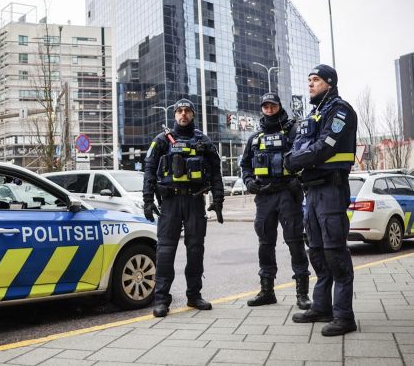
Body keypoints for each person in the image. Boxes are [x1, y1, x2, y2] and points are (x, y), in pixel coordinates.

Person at [285, 64, 358, 336]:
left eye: (315, 80)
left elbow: (324, 146)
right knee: (316, 251)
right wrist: (294, 158)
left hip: (331, 190)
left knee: (335, 253)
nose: (310, 84)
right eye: (309, 80)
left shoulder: (340, 111)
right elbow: (298, 145)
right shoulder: (313, 115)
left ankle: (344, 317)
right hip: (312, 191)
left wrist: (295, 161)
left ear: (329, 82)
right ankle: (322, 307)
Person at [142, 98, 225, 318]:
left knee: (195, 250)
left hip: (195, 201)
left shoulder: (203, 140)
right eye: (179, 111)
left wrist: (218, 200)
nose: (183, 114)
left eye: (187, 111)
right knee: (165, 251)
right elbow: (149, 170)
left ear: (193, 115)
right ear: (175, 115)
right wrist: (148, 200)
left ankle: (194, 295)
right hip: (170, 202)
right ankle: (161, 300)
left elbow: (216, 172)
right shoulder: (162, 140)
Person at [240, 92, 311, 309]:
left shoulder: (294, 131)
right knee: (265, 243)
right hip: (264, 196)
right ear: (262, 109)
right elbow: (245, 166)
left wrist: (298, 181)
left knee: (295, 242)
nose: (269, 110)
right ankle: (267, 291)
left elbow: (306, 157)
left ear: (279, 106)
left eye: (273, 106)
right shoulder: (255, 138)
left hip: (288, 194)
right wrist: (249, 182)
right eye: (266, 106)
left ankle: (302, 294)